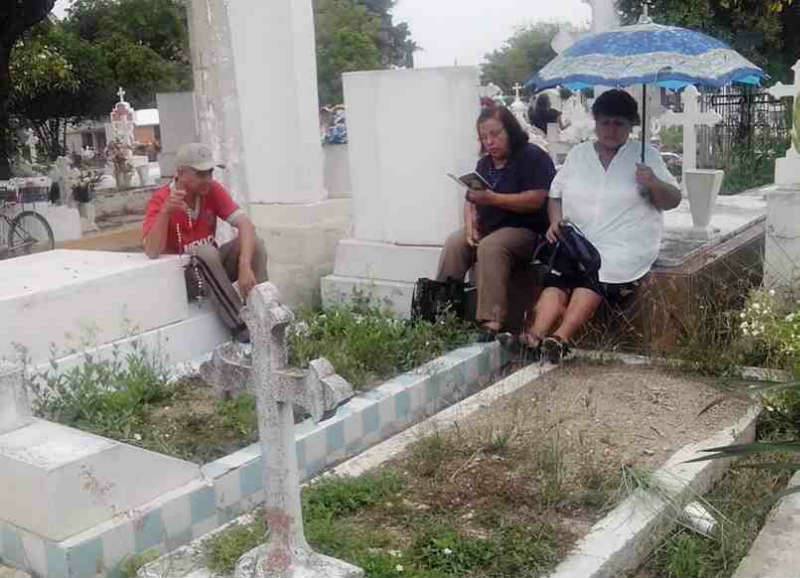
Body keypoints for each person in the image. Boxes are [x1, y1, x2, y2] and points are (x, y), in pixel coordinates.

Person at [522, 89, 681, 363]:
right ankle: (533, 337)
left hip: (625, 243)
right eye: (605, 122)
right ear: (595, 122)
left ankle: (560, 339)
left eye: (619, 123)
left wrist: (654, 182)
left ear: (631, 125)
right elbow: (555, 194)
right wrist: (554, 220)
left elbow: (673, 200)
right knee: (558, 277)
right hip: (580, 239)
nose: (611, 129)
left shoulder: (645, 156)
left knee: (597, 271)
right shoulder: (579, 154)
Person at [437, 105, 556, 339]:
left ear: (510, 130)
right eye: (484, 137)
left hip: (526, 231)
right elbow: (471, 199)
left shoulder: (532, 157)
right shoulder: (484, 164)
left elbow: (538, 199)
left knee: (491, 246)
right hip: (490, 226)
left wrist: (493, 199)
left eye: (495, 134)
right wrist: (470, 226)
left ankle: (491, 321)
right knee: (455, 242)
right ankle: (444, 309)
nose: (489, 142)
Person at [142, 142, 267, 342]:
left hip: (212, 269)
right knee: (205, 252)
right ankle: (242, 329)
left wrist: (244, 265)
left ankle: (264, 315)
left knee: (255, 245)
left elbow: (246, 225)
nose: (207, 179)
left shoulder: (211, 190)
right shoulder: (161, 200)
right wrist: (165, 213)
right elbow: (151, 251)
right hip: (186, 279)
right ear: (181, 173)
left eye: (210, 172)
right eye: (200, 174)